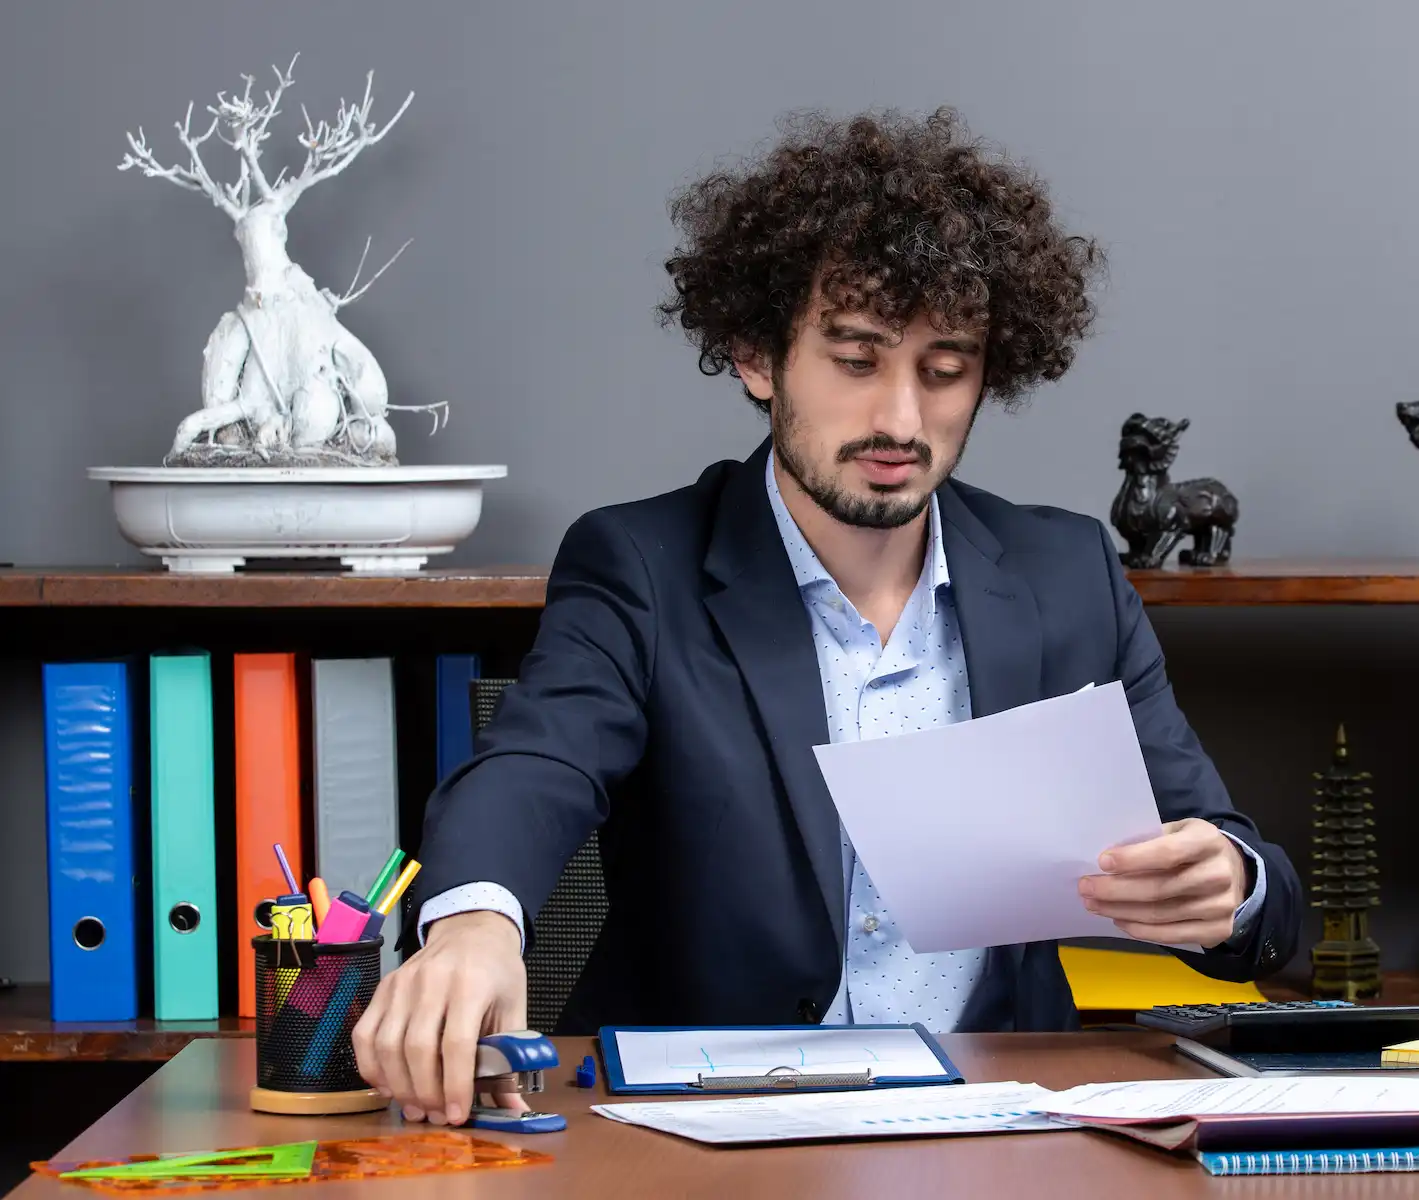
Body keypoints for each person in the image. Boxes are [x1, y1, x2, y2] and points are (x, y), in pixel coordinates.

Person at [352, 106, 1301, 1128]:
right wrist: (473, 926)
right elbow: (536, 762)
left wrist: (1229, 884)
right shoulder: (642, 564)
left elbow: (1258, 890)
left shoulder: (1066, 571)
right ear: (759, 357)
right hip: (708, 1142)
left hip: (999, 1129)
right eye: (856, 360)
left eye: (945, 370)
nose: (901, 417)